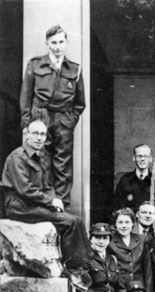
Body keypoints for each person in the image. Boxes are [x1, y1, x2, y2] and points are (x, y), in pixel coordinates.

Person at [1, 119, 92, 281]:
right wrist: (50, 202)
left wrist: (56, 200)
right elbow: (24, 189)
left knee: (73, 220)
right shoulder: (17, 158)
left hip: (33, 204)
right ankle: (75, 270)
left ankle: (82, 265)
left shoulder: (41, 157)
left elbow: (47, 186)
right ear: (26, 135)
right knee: (71, 222)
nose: (39, 138)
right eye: (35, 133)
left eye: (42, 134)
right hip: (19, 207)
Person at [19, 25, 85, 206]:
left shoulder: (75, 69)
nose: (57, 47)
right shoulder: (35, 64)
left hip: (63, 119)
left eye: (61, 42)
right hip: (40, 117)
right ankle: (44, 201)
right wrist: (26, 124)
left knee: (63, 163)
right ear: (47, 44)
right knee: (40, 158)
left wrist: (70, 120)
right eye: (53, 43)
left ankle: (62, 203)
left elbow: (80, 103)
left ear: (66, 43)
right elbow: (26, 96)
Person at [108, 208, 153, 292]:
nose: (124, 226)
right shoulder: (110, 242)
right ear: (115, 224)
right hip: (119, 291)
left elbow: (148, 269)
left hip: (138, 291)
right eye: (120, 222)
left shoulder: (142, 240)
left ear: (133, 223)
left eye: (127, 222)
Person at [113, 144, 155, 224]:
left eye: (145, 156)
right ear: (134, 158)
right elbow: (117, 207)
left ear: (150, 159)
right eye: (139, 156)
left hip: (151, 228)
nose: (142, 159)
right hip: (130, 228)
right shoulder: (125, 180)